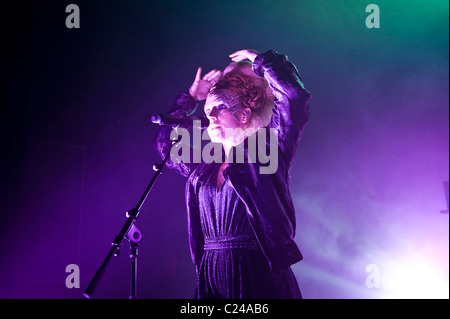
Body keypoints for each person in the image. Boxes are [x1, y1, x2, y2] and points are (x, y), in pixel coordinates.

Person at [153, 49, 311, 299]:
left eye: (220, 108)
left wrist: (262, 61)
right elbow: (166, 145)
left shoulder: (266, 153)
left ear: (245, 113)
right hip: (212, 274)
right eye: (208, 111)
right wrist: (191, 98)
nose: (211, 116)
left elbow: (294, 98)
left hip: (258, 271)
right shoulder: (204, 166)